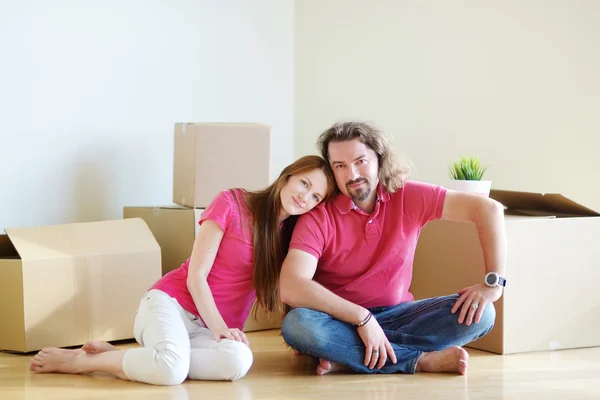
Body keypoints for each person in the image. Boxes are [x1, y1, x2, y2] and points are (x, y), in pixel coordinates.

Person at [29, 155, 336, 385]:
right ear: (287, 176)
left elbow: (295, 287)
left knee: (238, 360)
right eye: (304, 183)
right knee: (172, 371)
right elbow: (196, 276)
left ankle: (144, 356)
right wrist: (219, 329)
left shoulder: (290, 238)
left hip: (205, 329)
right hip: (170, 305)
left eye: (315, 196)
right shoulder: (232, 202)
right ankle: (82, 361)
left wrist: (308, 345)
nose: (304, 196)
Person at [280, 121, 507, 376]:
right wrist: (362, 318)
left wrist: (494, 284)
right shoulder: (318, 217)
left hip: (400, 316)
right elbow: (291, 286)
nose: (352, 174)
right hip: (339, 320)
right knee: (298, 326)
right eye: (340, 166)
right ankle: (417, 361)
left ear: (379, 159)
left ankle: (350, 357)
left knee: (483, 312)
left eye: (360, 161)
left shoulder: (408, 195)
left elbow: (488, 209)